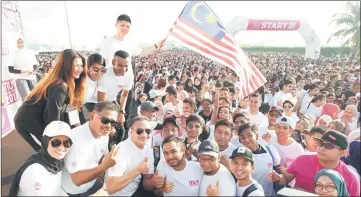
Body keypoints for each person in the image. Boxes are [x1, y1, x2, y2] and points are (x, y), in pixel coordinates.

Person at [14, 49, 87, 151]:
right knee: (49, 152)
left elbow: (72, 108)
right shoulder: (60, 86)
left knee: (55, 151)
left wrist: (80, 129)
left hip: (41, 120)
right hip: (28, 121)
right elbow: (52, 119)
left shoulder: (70, 83)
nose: (79, 69)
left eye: (81, 65)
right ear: (66, 66)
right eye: (76, 65)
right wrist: (58, 141)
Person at [268, 130, 360, 196]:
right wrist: (278, 179)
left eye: (329, 146)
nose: (322, 148)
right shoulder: (302, 160)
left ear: (342, 153)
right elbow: (286, 179)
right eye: (320, 143)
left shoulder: (350, 177)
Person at [61, 101, 120, 196]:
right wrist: (104, 166)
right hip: (74, 192)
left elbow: (101, 158)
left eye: (113, 122)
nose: (109, 126)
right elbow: (77, 180)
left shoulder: (103, 134)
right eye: (105, 120)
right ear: (92, 116)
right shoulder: (74, 139)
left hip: (92, 184)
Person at [9, 121, 73, 196]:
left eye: (66, 143)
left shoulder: (55, 164)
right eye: (56, 143)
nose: (62, 148)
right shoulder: (36, 172)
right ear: (45, 142)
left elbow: (57, 190)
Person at [106, 116, 156, 196]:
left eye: (148, 131)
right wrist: (137, 170)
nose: (144, 135)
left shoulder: (147, 147)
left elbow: (147, 183)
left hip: (136, 190)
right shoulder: (122, 150)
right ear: (131, 132)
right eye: (139, 131)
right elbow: (111, 188)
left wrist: (155, 181)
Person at [238, 123, 281, 196]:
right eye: (242, 137)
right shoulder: (239, 157)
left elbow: (279, 171)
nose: (246, 139)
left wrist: (278, 178)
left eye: (249, 135)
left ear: (257, 136)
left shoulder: (270, 150)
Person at [80, 53, 107, 123]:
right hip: (70, 109)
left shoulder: (102, 77)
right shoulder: (81, 80)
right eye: (95, 70)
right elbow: (71, 106)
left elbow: (101, 102)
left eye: (102, 70)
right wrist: (76, 124)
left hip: (85, 105)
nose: (99, 73)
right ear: (88, 68)